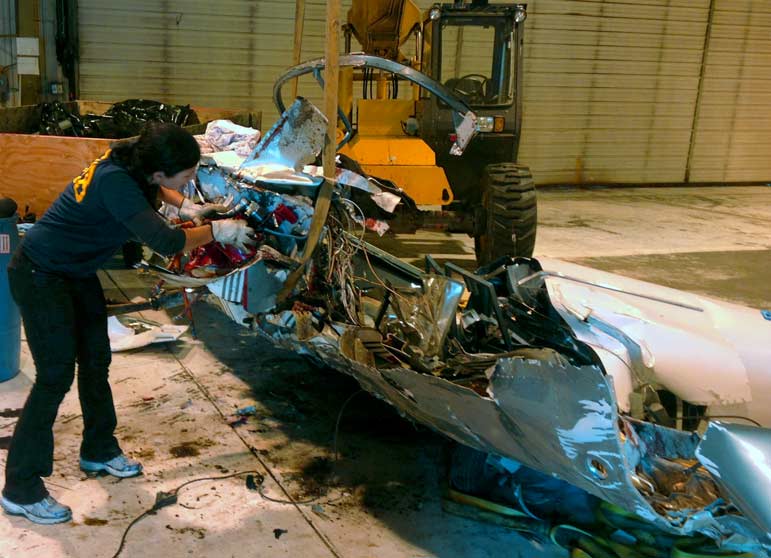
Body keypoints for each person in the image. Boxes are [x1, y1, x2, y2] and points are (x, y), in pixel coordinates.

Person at [1, 122, 255, 524]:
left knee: (97, 359)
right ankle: (21, 488)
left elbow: (156, 186)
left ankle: (98, 449)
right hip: (40, 274)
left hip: (76, 271)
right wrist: (217, 230)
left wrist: (184, 206)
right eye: (187, 177)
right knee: (54, 377)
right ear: (158, 170)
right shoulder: (116, 183)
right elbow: (168, 242)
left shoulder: (135, 154)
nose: (190, 183)